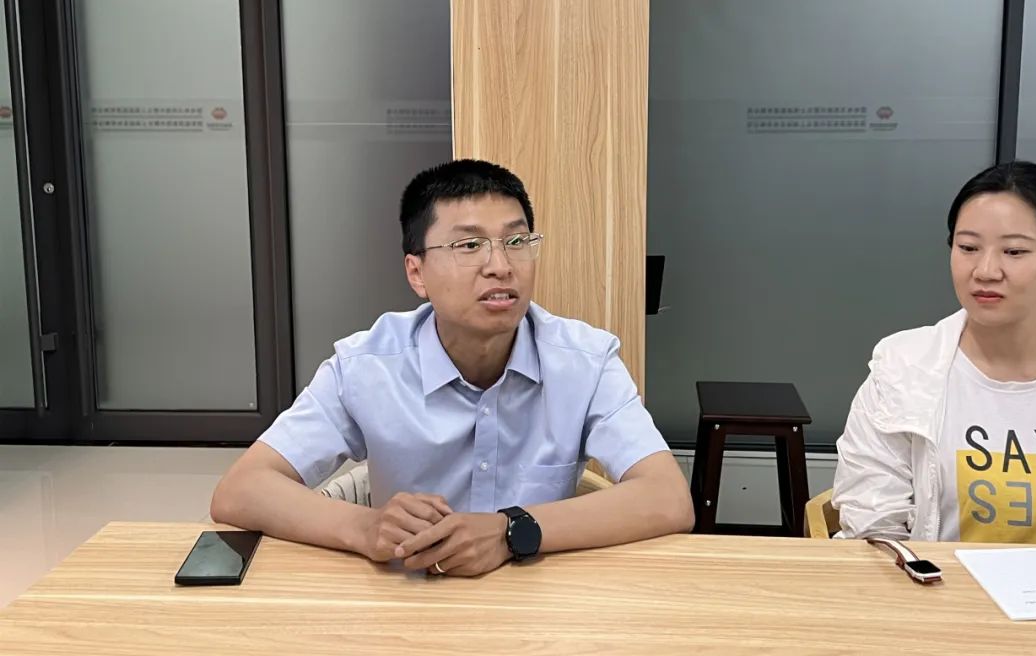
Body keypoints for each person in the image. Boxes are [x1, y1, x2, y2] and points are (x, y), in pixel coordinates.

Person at [211, 159, 694, 576]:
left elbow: (667, 497)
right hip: (408, 600)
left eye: (516, 240)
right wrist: (365, 527)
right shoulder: (366, 366)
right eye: (469, 246)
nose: (500, 265)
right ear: (416, 272)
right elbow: (241, 490)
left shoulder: (585, 361)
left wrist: (511, 531)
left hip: (537, 602)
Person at [833, 161, 1036, 543]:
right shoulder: (901, 369)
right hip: (930, 582)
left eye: (1014, 251)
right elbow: (873, 525)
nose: (985, 270)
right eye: (968, 248)